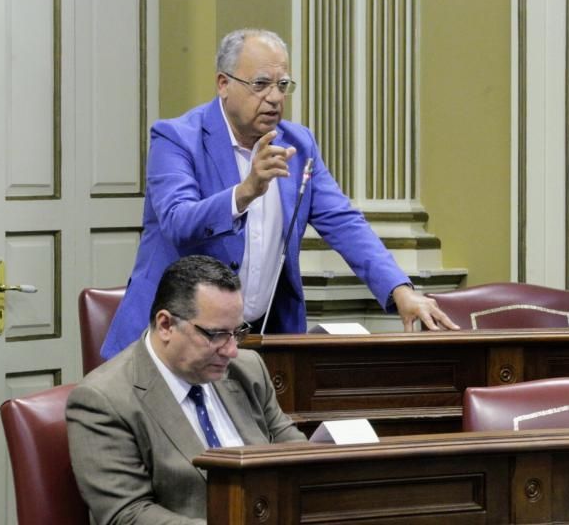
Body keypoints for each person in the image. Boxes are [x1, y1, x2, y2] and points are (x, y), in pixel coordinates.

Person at [101, 28, 457, 360]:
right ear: (223, 84)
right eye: (260, 84)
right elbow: (179, 221)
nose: (274, 98)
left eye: (282, 84)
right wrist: (244, 192)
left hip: (257, 342)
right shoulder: (177, 139)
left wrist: (401, 291)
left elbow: (345, 224)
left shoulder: (299, 145)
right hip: (171, 342)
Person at [67, 255, 305, 524]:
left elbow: (294, 453)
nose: (232, 350)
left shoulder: (247, 369)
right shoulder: (103, 400)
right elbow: (127, 514)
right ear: (166, 325)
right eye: (216, 335)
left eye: (237, 332)